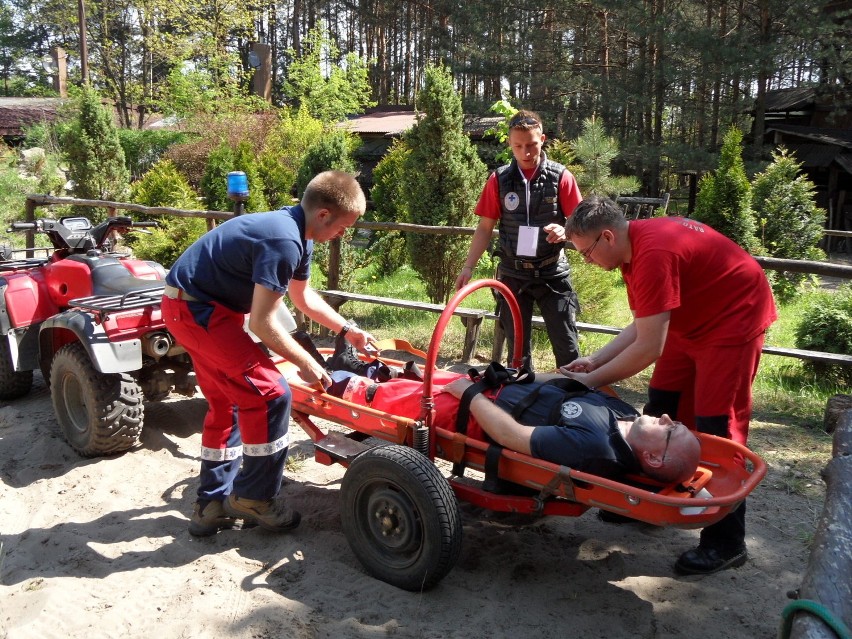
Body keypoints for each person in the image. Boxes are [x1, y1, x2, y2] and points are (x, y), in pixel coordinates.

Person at [561, 195, 778, 575]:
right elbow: (644, 324)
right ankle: (653, 504)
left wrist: (590, 382)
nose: (587, 261)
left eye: (586, 252)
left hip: (733, 319)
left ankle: (726, 543)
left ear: (608, 237)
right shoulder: (632, 251)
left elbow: (648, 347)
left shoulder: (653, 254)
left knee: (717, 427)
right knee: (662, 404)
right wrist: (595, 361)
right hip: (691, 320)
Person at [162, 170, 377, 537]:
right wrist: (306, 362)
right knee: (272, 393)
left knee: (229, 401)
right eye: (343, 227)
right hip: (197, 311)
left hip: (201, 308)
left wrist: (347, 330)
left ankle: (211, 504)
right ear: (324, 214)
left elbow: (302, 297)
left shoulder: (299, 233)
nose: (343, 235)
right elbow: (262, 322)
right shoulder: (283, 241)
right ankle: (255, 497)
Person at [330, 365, 701, 485]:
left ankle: (341, 379)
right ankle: (381, 372)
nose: (666, 417)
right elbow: (567, 383)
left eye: (670, 430)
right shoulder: (628, 417)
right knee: (425, 376)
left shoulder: (594, 447)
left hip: (477, 415)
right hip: (500, 388)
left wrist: (470, 395)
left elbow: (511, 436)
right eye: (674, 422)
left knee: (377, 397)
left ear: (652, 458)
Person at [455, 110, 583, 369]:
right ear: (510, 144)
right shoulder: (498, 180)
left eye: (532, 145)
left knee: (567, 347)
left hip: (552, 273)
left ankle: (575, 402)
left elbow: (581, 222)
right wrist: (468, 266)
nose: (526, 152)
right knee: (518, 354)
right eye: (518, 146)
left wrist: (566, 231)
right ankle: (522, 401)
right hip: (513, 274)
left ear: (543, 140)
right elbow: (484, 227)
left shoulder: (561, 177)